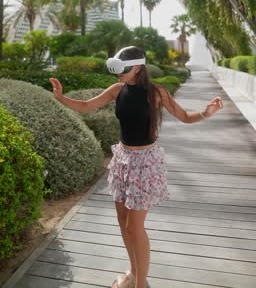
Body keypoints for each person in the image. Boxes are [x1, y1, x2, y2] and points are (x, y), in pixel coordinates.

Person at [49, 46, 223, 288]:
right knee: (123, 221)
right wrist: (60, 97)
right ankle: (133, 273)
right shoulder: (118, 89)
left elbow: (184, 116)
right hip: (122, 160)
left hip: (145, 163)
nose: (119, 74)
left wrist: (206, 112)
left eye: (124, 69)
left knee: (135, 226)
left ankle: (141, 285)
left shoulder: (157, 92)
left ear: (138, 68)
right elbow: (86, 106)